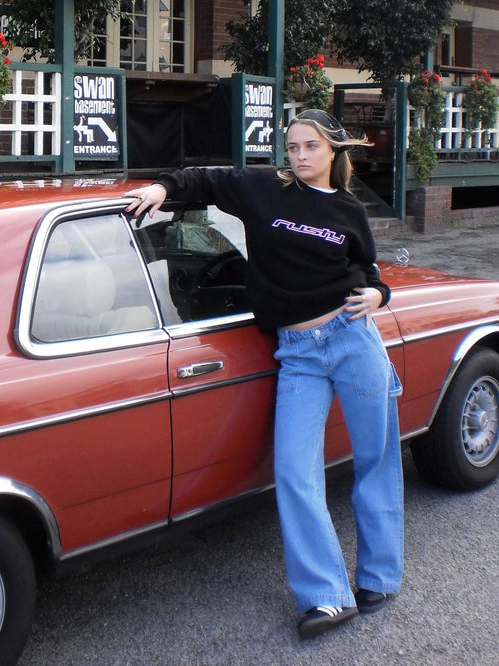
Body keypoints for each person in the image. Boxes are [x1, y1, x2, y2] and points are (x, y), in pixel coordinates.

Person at [125, 109, 404, 639]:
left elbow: (368, 271)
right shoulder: (264, 189)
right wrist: (163, 188)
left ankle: (380, 576)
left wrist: (378, 294)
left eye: (310, 147)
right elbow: (205, 179)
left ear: (333, 150)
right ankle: (326, 596)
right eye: (292, 147)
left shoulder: (348, 208)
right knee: (296, 472)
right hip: (297, 353)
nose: (299, 156)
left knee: (376, 458)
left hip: (352, 339)